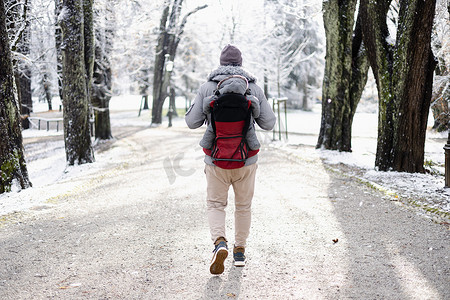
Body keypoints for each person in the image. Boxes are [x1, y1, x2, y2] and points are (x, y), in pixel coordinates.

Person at [185, 44, 276, 275]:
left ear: (220, 63)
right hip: (246, 159)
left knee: (216, 204)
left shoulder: (208, 87)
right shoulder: (253, 88)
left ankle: (220, 243)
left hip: (216, 160)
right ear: (241, 64)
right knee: (243, 206)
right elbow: (269, 123)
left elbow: (191, 122)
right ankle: (239, 252)